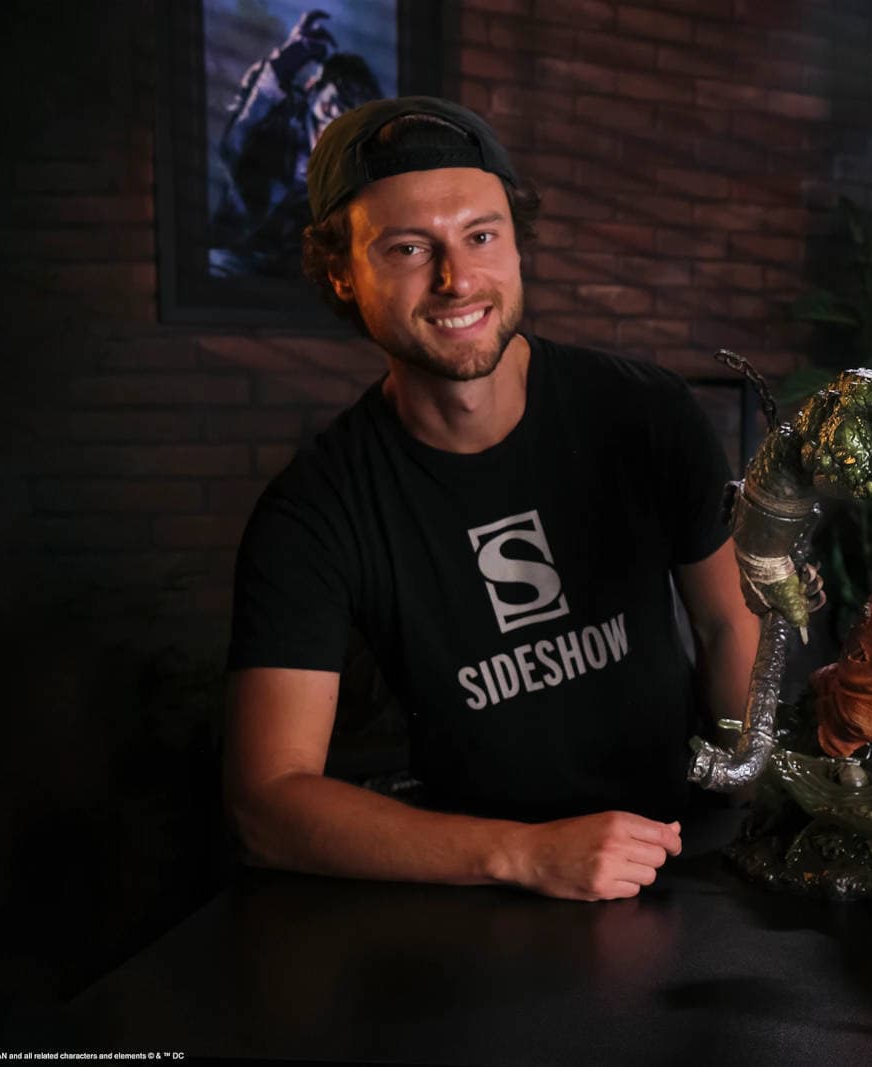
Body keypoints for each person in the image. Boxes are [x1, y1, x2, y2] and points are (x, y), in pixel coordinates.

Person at [223, 96, 759, 901]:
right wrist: (526, 854)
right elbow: (265, 804)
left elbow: (728, 624)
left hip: (682, 860)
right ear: (341, 271)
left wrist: (758, 797)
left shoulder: (648, 412)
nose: (458, 279)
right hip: (470, 895)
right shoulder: (313, 510)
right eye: (409, 248)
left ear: (516, 242)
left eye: (482, 236)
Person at [210, 10, 383, 278]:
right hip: (232, 258)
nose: (334, 120)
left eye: (349, 112)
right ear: (313, 88)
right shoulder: (275, 127)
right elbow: (240, 132)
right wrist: (289, 58)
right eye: (334, 103)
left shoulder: (352, 170)